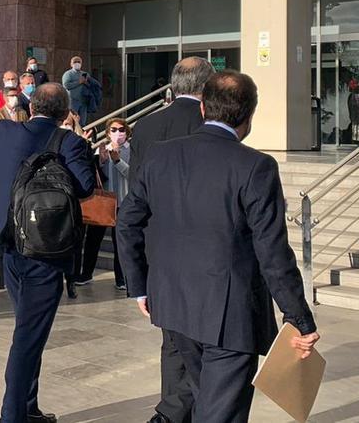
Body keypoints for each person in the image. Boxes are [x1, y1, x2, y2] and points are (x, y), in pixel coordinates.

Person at [118, 71, 319, 423]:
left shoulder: (160, 155)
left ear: (202, 108)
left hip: (174, 304)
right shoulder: (256, 166)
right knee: (219, 413)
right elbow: (272, 251)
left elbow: (128, 222)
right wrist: (298, 317)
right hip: (230, 315)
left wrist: (140, 287)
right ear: (249, 115)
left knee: (202, 401)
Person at [0, 81, 94, 423]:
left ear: (32, 105)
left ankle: (28, 407)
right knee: (29, 334)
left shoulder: (4, 131)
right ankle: (13, 415)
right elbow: (85, 187)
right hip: (46, 247)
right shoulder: (68, 141)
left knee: (29, 326)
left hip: (8, 243)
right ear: (64, 113)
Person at [127, 56, 215, 423]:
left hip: (159, 250)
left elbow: (136, 196)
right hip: (205, 252)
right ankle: (176, 414)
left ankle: (171, 410)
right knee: (210, 349)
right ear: (206, 88)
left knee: (174, 342)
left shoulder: (145, 127)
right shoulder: (214, 125)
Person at [76, 118, 131, 290]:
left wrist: (117, 161)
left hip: (124, 201)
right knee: (93, 240)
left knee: (120, 242)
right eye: (113, 130)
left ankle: (121, 278)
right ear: (107, 133)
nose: (117, 133)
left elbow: (132, 174)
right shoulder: (103, 150)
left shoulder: (132, 150)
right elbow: (96, 176)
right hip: (104, 201)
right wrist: (101, 161)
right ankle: (86, 273)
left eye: (121, 129)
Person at [62, 56, 101, 126]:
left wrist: (87, 83)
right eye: (75, 62)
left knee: (82, 122)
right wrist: (79, 82)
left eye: (79, 62)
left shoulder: (84, 74)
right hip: (72, 101)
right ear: (71, 64)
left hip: (83, 101)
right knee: (73, 121)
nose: (77, 63)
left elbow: (92, 85)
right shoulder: (68, 74)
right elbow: (66, 85)